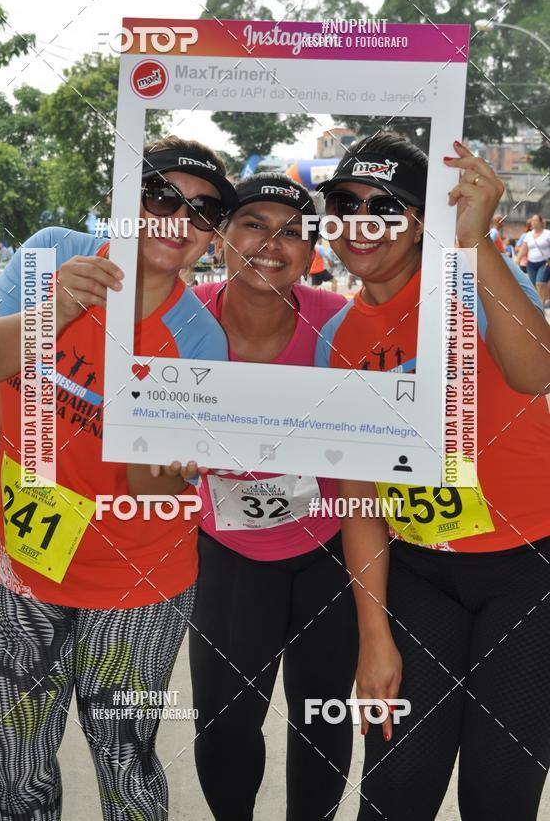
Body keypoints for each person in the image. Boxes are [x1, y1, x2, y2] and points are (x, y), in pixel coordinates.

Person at [0, 136, 236, 821]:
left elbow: (149, 483)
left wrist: (173, 472)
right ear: (127, 197)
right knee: (17, 762)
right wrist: (54, 313)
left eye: (204, 211)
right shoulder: (54, 251)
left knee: (127, 758)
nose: (180, 220)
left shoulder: (200, 336)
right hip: (26, 558)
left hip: (139, 578)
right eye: (162, 196)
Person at [315, 133, 550, 821]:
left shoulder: (466, 279)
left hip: (527, 568)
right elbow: (357, 499)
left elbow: (537, 371)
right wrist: (373, 635)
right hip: (419, 572)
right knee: (395, 788)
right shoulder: (341, 340)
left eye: (387, 206)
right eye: (345, 202)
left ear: (422, 220)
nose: (363, 221)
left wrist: (478, 243)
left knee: (499, 790)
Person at [127, 173, 359, 821]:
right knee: (225, 724)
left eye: (292, 232)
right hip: (224, 554)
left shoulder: (339, 322)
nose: (271, 242)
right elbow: (126, 437)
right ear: (222, 236)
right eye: (253, 223)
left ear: (314, 253)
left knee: (322, 717)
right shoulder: (180, 317)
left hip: (329, 552)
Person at [518, 213, 550, 305]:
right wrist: (517, 259)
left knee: (540, 284)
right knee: (533, 287)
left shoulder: (547, 233)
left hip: (544, 263)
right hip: (531, 264)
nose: (533, 222)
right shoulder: (528, 235)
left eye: (536, 220)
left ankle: (541, 308)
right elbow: (524, 249)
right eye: (532, 220)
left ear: (541, 222)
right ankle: (537, 307)